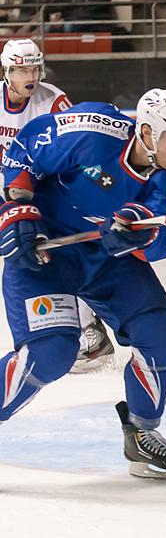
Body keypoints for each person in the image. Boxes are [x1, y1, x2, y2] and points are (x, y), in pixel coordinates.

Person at [0, 87, 166, 480]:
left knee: (158, 334)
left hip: (108, 260)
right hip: (44, 252)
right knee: (52, 352)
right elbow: (24, 151)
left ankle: (141, 433)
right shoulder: (92, 129)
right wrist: (17, 206)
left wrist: (139, 234)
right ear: (146, 132)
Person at [0, 38, 114, 373]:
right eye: (22, 68)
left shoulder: (54, 101)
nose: (30, 74)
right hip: (9, 193)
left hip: (43, 195)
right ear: (7, 71)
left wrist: (101, 180)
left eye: (34, 67)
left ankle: (90, 331)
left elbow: (75, 147)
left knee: (56, 258)